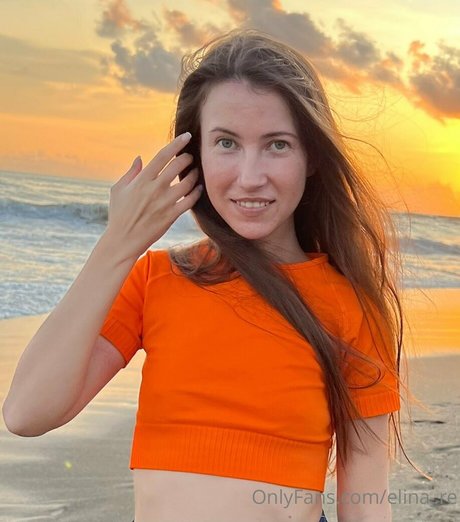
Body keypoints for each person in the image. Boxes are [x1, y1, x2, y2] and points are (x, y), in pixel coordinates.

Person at [2, 28, 410, 521]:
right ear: (194, 156)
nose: (250, 177)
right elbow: (26, 413)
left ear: (311, 158)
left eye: (277, 145)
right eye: (226, 142)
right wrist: (117, 245)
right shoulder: (156, 281)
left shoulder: (350, 306)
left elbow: (365, 498)